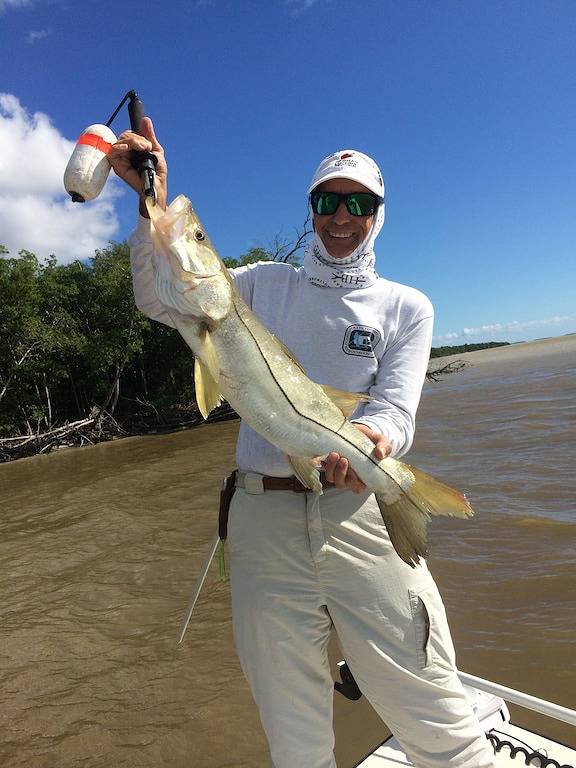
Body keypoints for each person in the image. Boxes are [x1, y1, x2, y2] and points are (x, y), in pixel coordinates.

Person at [108, 120, 496, 768]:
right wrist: (151, 203)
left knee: (435, 713)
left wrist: (372, 442)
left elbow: (395, 410)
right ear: (310, 209)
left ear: (378, 213)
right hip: (262, 520)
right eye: (327, 201)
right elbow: (159, 296)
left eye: (359, 204)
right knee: (294, 737)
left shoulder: (407, 306)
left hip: (360, 513)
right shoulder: (256, 285)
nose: (342, 217)